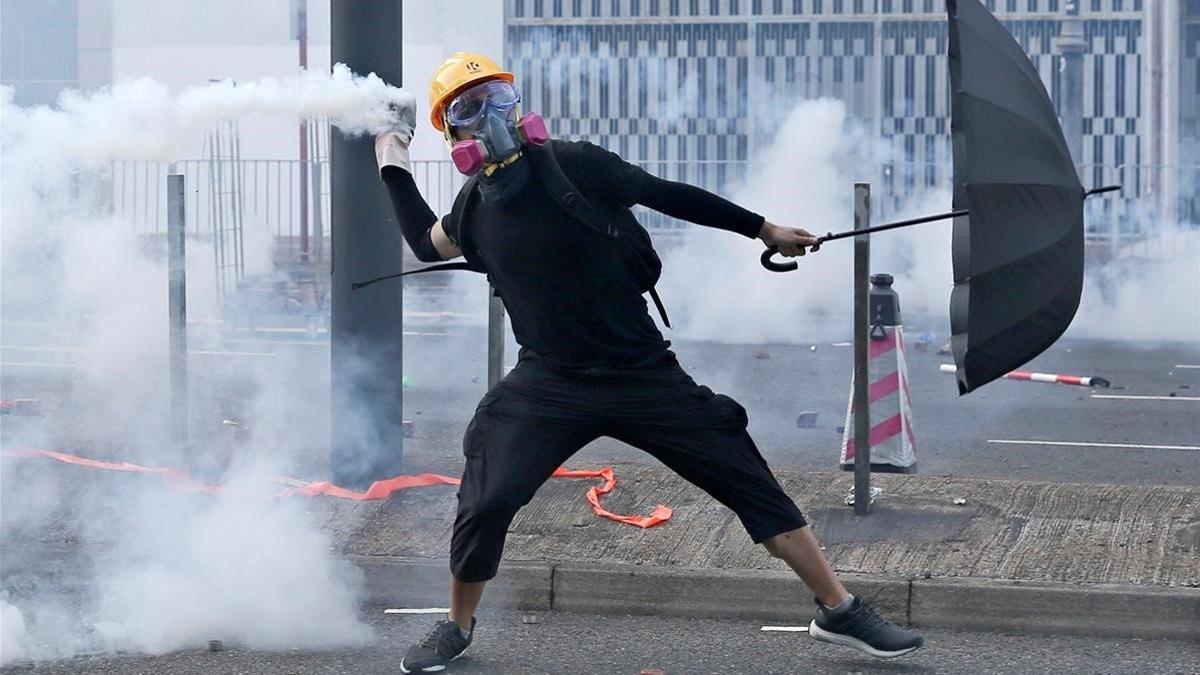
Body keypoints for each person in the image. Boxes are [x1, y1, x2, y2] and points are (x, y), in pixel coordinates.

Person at [377, 52, 924, 674]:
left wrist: (762, 228)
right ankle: (457, 627)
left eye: (500, 96)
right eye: (471, 108)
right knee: (487, 500)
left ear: (520, 103)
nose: (493, 115)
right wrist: (391, 156)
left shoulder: (579, 164)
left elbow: (666, 194)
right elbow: (426, 241)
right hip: (550, 381)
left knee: (748, 481)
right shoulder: (475, 208)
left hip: (642, 374)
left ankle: (838, 609)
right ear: (454, 133)